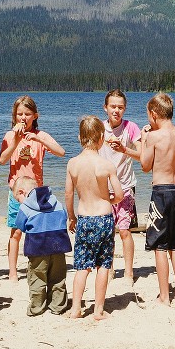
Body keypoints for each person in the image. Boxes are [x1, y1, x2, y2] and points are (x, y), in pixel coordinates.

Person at [0, 95, 65, 281]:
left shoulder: (40, 135)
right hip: (16, 192)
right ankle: (13, 271)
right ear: (14, 116)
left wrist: (39, 140)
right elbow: (2, 159)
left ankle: (36, 266)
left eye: (27, 114)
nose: (23, 118)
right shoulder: (10, 136)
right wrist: (15, 139)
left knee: (36, 231)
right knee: (16, 232)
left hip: (36, 193)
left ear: (35, 116)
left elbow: (61, 152)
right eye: (19, 114)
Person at [65, 115, 124, 320]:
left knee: (82, 266)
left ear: (79, 137)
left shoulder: (73, 164)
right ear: (101, 138)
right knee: (103, 265)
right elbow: (119, 195)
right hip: (104, 218)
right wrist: (108, 199)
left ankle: (76, 308)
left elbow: (68, 194)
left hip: (84, 218)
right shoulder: (106, 165)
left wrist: (71, 217)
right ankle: (98, 310)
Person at [139, 92, 175, 306]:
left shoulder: (154, 136)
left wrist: (144, 139)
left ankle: (164, 296)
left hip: (162, 191)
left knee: (159, 245)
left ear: (153, 114)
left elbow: (145, 166)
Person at [99, 89, 142, 283]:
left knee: (124, 231)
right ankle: (109, 269)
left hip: (125, 187)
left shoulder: (131, 127)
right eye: (113, 107)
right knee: (107, 232)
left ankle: (128, 272)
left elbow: (142, 155)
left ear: (125, 109)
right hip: (103, 189)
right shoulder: (99, 128)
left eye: (120, 107)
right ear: (105, 108)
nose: (116, 110)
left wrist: (125, 149)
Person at [12, 176, 71, 316]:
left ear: (22, 192)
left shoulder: (26, 207)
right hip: (58, 245)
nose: (19, 202)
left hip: (37, 247)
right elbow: (64, 216)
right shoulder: (56, 202)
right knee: (58, 277)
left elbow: (20, 225)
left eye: (18, 199)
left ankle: (37, 307)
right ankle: (57, 306)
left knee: (37, 277)